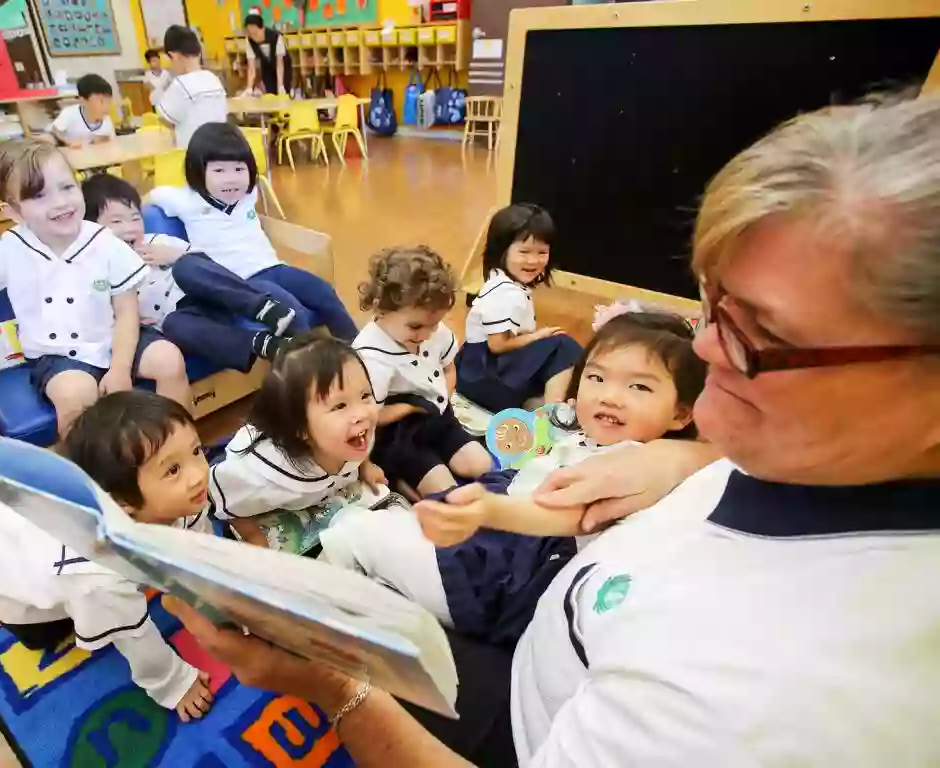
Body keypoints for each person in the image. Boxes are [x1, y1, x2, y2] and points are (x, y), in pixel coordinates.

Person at [164, 93, 940, 767]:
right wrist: (689, 456)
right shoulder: (797, 456)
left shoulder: (770, 701)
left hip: (519, 688)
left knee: (328, 597)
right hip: (534, 593)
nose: (704, 348)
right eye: (712, 308)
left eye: (758, 334)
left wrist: (332, 688)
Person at [323, 310, 706, 646]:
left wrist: (490, 510)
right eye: (597, 378)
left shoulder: (631, 464)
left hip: (496, 569)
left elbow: (564, 516)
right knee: (387, 531)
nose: (610, 396)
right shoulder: (597, 436)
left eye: (638, 386)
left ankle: (308, 617)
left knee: (353, 531)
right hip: (493, 537)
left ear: (681, 414)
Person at [0, 392, 215, 722]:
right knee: (61, 629)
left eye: (196, 451)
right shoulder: (99, 576)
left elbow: (199, 542)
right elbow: (134, 637)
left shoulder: (182, 498)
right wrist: (174, 683)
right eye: (173, 469)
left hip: (15, 510)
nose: (199, 474)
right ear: (122, 502)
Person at [0, 139, 190, 435]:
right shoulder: (10, 251)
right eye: (40, 195)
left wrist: (120, 368)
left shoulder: (105, 242)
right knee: (75, 396)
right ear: (14, 211)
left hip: (117, 338)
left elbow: (126, 311)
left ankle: (182, 447)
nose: (60, 202)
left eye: (67, 187)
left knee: (169, 359)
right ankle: (92, 476)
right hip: (58, 355)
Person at [148, 122, 357, 346]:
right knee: (290, 310)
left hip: (274, 267)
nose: (231, 179)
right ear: (198, 172)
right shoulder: (184, 200)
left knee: (323, 291)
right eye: (219, 171)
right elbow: (148, 200)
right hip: (241, 282)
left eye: (239, 169)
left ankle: (358, 349)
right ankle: (311, 367)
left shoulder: (249, 196)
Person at [83, 173, 294, 370]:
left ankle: (264, 307)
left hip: (214, 299)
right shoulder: (99, 270)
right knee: (173, 325)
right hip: (190, 321)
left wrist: (175, 256)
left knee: (186, 266)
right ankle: (263, 343)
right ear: (90, 228)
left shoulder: (158, 241)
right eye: (117, 221)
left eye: (135, 218)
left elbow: (211, 269)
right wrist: (130, 320)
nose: (130, 227)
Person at [210, 335, 385, 546]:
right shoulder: (264, 476)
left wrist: (366, 465)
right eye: (339, 406)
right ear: (301, 428)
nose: (362, 413)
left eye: (365, 395)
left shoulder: (353, 431)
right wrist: (253, 536)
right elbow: (222, 493)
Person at [353, 246, 494, 498]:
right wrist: (412, 406)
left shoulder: (431, 332)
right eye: (416, 326)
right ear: (380, 308)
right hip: (398, 436)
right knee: (446, 493)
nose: (427, 334)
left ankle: (430, 466)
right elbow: (366, 416)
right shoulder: (371, 356)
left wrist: (442, 396)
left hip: (438, 419)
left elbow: (449, 366)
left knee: (482, 466)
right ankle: (399, 479)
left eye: (434, 324)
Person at [456, 204, 583, 413]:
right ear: (502, 251)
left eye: (542, 252)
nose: (533, 260)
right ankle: (553, 416)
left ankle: (534, 404)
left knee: (548, 348)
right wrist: (538, 336)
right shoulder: (508, 294)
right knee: (563, 346)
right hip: (483, 376)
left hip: (472, 373)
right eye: (524, 252)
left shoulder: (499, 279)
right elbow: (497, 345)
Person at [156, 25, 228, 147]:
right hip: (220, 152)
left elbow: (164, 118)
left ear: (174, 56)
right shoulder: (213, 79)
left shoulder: (180, 84)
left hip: (194, 155)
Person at [50, 73, 115, 148]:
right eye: (101, 102)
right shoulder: (70, 113)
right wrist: (67, 141)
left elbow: (111, 142)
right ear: (83, 101)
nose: (106, 107)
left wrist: (104, 140)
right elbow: (54, 131)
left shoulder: (107, 121)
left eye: (108, 102)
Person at [243, 13, 291, 97]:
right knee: (270, 93)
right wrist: (249, 88)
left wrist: (280, 86)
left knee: (284, 91)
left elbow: (280, 64)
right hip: (266, 67)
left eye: (256, 33)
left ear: (262, 29)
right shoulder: (249, 41)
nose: (254, 37)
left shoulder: (276, 37)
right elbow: (251, 68)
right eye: (251, 34)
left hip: (283, 66)